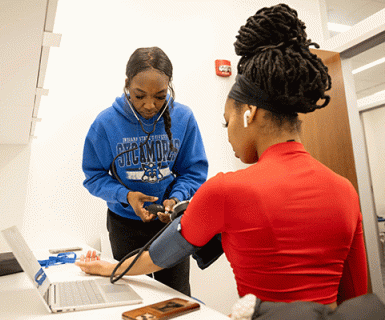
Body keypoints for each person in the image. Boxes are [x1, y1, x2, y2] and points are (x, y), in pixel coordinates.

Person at [76, 4, 368, 310]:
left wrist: (109, 268)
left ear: (249, 114)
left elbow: (160, 257)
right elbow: (356, 302)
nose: (227, 135)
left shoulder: (224, 191)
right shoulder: (345, 191)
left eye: (226, 122)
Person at [81, 46, 209, 296]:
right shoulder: (106, 123)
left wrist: (175, 199)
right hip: (124, 225)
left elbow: (193, 170)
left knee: (175, 296)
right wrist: (126, 196)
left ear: (169, 87)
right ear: (127, 84)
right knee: (132, 293)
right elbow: (94, 177)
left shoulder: (183, 118)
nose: (149, 105)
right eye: (139, 95)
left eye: (160, 96)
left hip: (169, 224)